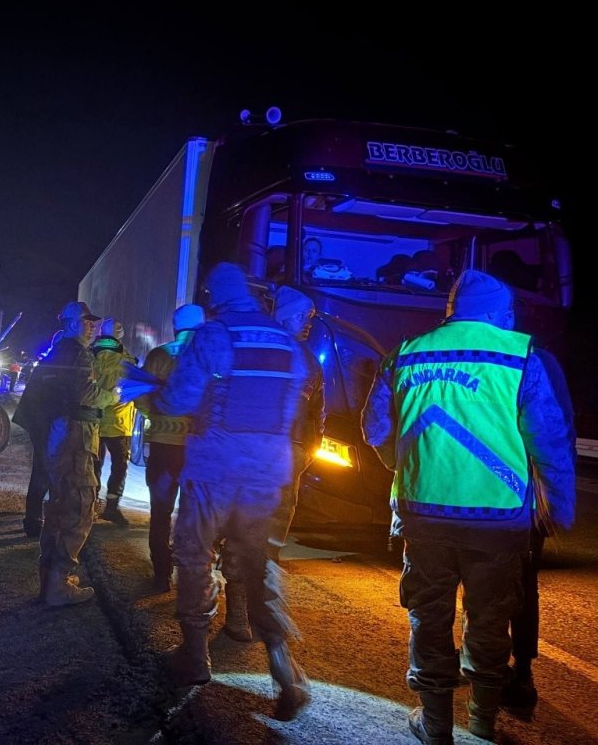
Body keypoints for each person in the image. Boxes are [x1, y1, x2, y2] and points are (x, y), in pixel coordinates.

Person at [361, 269, 576, 744]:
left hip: (424, 514)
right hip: (497, 520)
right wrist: (559, 507)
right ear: (500, 313)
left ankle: (435, 724)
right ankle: (481, 721)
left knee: (428, 616)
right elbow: (549, 441)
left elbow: (375, 429)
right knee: (489, 616)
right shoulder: (521, 357)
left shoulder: (405, 353)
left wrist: (407, 465)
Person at [153, 262, 313, 721]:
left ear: (213, 297)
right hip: (265, 473)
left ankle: (196, 656)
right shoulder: (287, 340)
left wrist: (171, 396)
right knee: (256, 563)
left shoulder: (214, 334)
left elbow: (177, 401)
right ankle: (283, 666)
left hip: (214, 469)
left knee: (194, 554)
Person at [220, 286, 325, 643]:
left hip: (286, 461)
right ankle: (236, 615)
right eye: (302, 315)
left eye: (310, 317)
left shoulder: (309, 361)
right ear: (282, 315)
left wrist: (308, 450)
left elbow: (316, 414)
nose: (307, 323)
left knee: (271, 539)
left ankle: (259, 610)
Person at [503, 345, 576, 718]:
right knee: (518, 583)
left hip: (515, 495)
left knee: (512, 583)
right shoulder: (539, 360)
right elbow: (561, 430)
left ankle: (518, 669)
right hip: (522, 495)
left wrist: (552, 499)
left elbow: (553, 433)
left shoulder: (525, 360)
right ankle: (515, 669)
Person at [36, 301, 119, 607]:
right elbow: (86, 393)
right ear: (71, 324)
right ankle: (58, 587)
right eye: (85, 322)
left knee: (58, 506)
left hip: (59, 434)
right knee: (81, 505)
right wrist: (112, 395)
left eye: (91, 322)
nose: (90, 326)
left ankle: (49, 582)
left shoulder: (58, 352)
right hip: (76, 435)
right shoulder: (79, 353)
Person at [133, 303, 206, 593]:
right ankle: (193, 577)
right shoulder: (206, 355)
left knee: (161, 512)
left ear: (175, 326)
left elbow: (139, 395)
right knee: (195, 512)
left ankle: (162, 574)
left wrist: (157, 417)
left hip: (164, 446)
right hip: (197, 448)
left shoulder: (159, 355)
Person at [11, 329, 64, 537]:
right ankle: (36, 523)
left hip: (41, 426)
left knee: (41, 473)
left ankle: (35, 521)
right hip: (46, 428)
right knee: (44, 474)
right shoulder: (54, 366)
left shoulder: (49, 364)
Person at [91, 317, 138, 527]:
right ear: (120, 336)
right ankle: (111, 507)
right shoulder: (127, 361)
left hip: (93, 419)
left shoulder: (89, 354)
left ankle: (89, 506)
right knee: (119, 466)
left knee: (93, 465)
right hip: (119, 422)